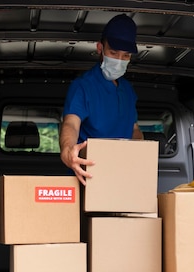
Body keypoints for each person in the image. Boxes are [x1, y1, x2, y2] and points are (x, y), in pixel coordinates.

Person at [59, 14, 144, 185]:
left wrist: (140, 149)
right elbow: (71, 124)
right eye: (113, 52)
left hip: (124, 177)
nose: (119, 61)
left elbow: (133, 127)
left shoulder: (127, 90)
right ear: (100, 48)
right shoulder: (83, 86)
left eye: (126, 55)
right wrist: (67, 151)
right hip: (89, 176)